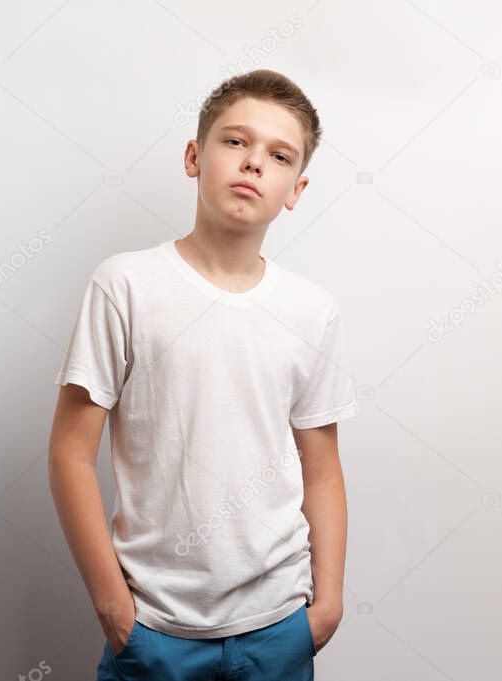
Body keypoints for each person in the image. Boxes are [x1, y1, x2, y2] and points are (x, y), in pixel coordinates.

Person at [48, 69, 356, 681]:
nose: (253, 164)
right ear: (195, 156)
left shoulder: (311, 310)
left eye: (278, 155)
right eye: (235, 141)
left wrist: (327, 607)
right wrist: (114, 607)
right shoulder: (126, 285)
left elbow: (322, 470)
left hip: (279, 624)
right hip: (155, 629)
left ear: (295, 188)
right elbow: (69, 454)